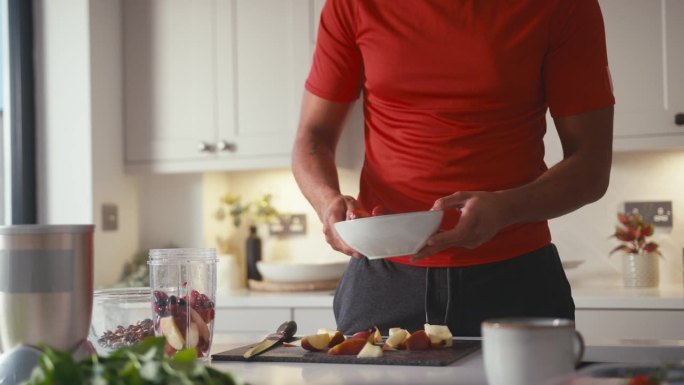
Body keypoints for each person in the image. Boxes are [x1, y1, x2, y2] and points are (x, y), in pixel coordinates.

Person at [292, 0, 614, 336]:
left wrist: (506, 208)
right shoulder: (352, 5)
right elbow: (312, 137)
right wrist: (325, 200)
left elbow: (591, 166)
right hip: (382, 273)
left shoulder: (564, 6)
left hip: (515, 276)